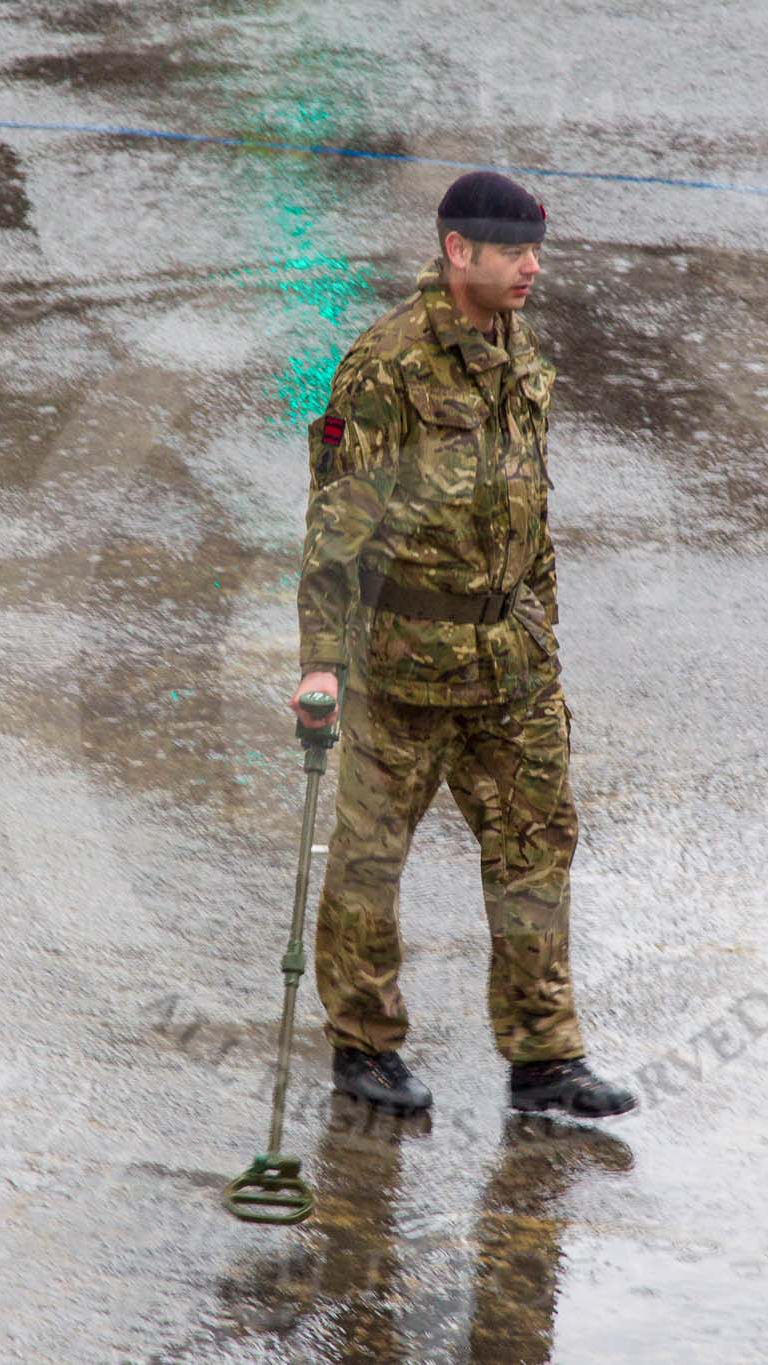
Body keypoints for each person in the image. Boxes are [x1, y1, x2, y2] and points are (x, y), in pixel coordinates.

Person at [285, 170, 636, 1120]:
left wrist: (543, 635)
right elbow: (334, 534)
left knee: (536, 849)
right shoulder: (386, 369)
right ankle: (364, 1045)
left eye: (534, 252)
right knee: (368, 861)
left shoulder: (520, 356)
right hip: (403, 667)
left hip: (510, 668)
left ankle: (544, 1060)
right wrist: (321, 662)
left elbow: (534, 513)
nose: (530, 268)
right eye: (512, 252)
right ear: (457, 253)